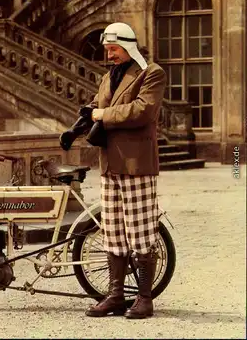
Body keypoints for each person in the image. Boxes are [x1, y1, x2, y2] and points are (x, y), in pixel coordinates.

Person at [83, 22, 167, 319]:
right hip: (110, 164)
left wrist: (102, 115)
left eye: (114, 49)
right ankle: (116, 295)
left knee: (141, 231)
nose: (109, 55)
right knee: (114, 233)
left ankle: (145, 298)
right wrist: (79, 123)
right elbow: (96, 105)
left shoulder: (151, 73)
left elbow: (144, 110)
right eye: (107, 49)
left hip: (137, 165)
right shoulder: (109, 76)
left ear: (129, 47)